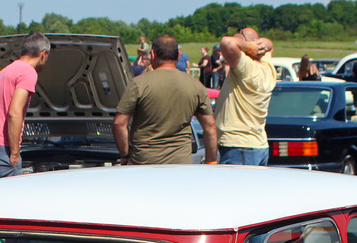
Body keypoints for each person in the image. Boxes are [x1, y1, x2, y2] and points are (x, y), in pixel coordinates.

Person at [113, 34, 217, 166]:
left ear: (153, 54)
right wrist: (211, 161)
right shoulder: (195, 85)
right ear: (178, 55)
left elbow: (119, 124)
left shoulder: (138, 83)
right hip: (181, 163)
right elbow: (210, 126)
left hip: (144, 162)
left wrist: (125, 155)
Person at [0, 32, 50, 179]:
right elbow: (14, 112)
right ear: (43, 54)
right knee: (10, 198)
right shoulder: (28, 72)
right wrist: (15, 153)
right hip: (2, 148)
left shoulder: (5, 71)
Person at [214, 27, 275, 165]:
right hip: (258, 144)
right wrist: (255, 45)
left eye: (239, 39)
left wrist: (250, 46)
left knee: (236, 187)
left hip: (239, 145)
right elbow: (269, 45)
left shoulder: (247, 67)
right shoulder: (266, 64)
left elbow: (227, 43)